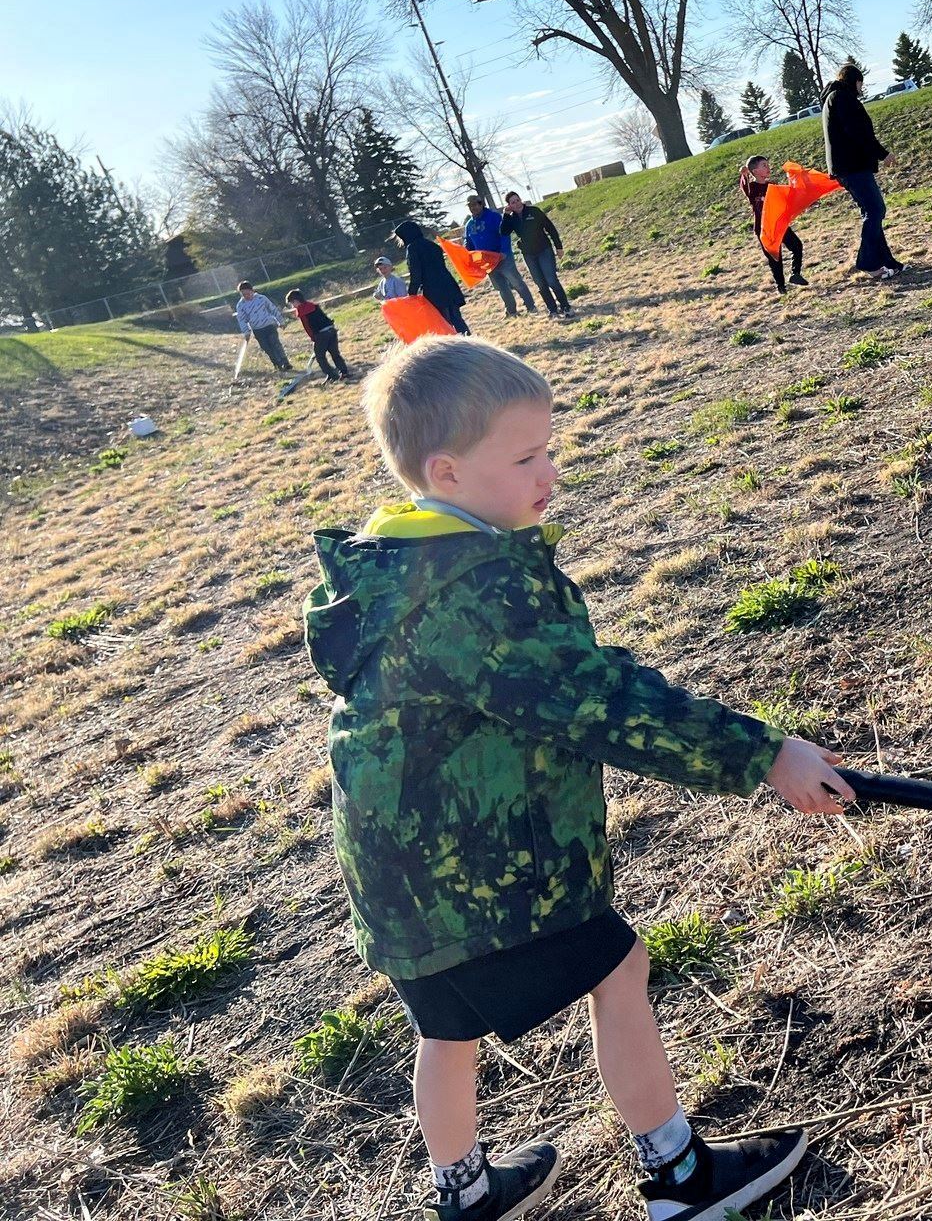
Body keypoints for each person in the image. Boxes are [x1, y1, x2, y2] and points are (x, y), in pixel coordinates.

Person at [306, 335, 853, 1221]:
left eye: (548, 448)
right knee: (620, 968)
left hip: (400, 874)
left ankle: (466, 1194)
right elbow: (597, 702)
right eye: (525, 457)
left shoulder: (394, 569)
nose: (549, 472)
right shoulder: (473, 592)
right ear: (445, 473)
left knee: (445, 1029)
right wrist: (763, 753)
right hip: (481, 867)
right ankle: (677, 1176)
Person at [821, 63, 902, 278]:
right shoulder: (842, 98)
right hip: (851, 166)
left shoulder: (835, 97)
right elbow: (857, 133)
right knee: (876, 210)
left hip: (847, 166)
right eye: (860, 84)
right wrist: (883, 154)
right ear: (855, 81)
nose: (861, 89)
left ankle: (888, 262)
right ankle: (868, 262)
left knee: (872, 211)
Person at [738, 155, 807, 294]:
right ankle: (781, 287)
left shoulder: (773, 185)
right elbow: (744, 186)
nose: (768, 168)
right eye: (764, 165)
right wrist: (744, 174)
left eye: (768, 165)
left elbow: (788, 199)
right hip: (764, 229)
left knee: (797, 246)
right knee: (775, 258)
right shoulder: (752, 188)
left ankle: (795, 274)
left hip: (779, 225)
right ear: (755, 171)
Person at [391, 218, 471, 336]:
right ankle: (469, 342)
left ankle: (456, 349)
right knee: (457, 319)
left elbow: (416, 273)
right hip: (448, 284)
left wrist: (412, 293)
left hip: (433, 290)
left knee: (444, 322)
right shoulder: (432, 245)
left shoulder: (412, 248)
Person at [501, 192, 571, 317]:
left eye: (517, 200)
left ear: (521, 200)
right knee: (540, 283)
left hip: (544, 250)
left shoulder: (534, 211)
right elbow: (504, 232)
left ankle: (565, 306)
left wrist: (558, 246)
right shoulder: (512, 218)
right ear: (509, 206)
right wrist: (505, 215)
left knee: (551, 280)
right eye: (513, 202)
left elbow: (550, 228)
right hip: (528, 254)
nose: (516, 203)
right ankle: (552, 309)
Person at [464, 195, 536, 318]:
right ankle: (511, 311)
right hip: (487, 262)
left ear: (481, 204)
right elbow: (468, 242)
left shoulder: (494, 217)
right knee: (501, 287)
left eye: (475, 204)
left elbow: (504, 234)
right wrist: (467, 252)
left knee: (516, 282)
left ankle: (531, 306)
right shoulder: (469, 225)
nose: (473, 207)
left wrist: (503, 252)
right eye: (470, 206)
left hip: (503, 257)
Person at [285, 287, 351, 382]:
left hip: (321, 334)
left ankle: (333, 375)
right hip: (331, 330)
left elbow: (307, 327)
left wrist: (313, 338)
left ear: (296, 301)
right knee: (335, 353)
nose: (293, 306)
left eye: (292, 303)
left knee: (320, 357)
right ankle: (344, 372)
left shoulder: (301, 310)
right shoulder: (312, 305)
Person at [233, 281, 294, 373]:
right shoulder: (241, 305)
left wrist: (280, 321)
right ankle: (277, 364)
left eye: (248, 293)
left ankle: (285, 363)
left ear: (252, 291)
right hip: (258, 330)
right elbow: (242, 320)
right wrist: (246, 332)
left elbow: (272, 309)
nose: (246, 296)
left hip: (269, 326)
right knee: (267, 348)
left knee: (275, 344)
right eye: (243, 294)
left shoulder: (261, 298)